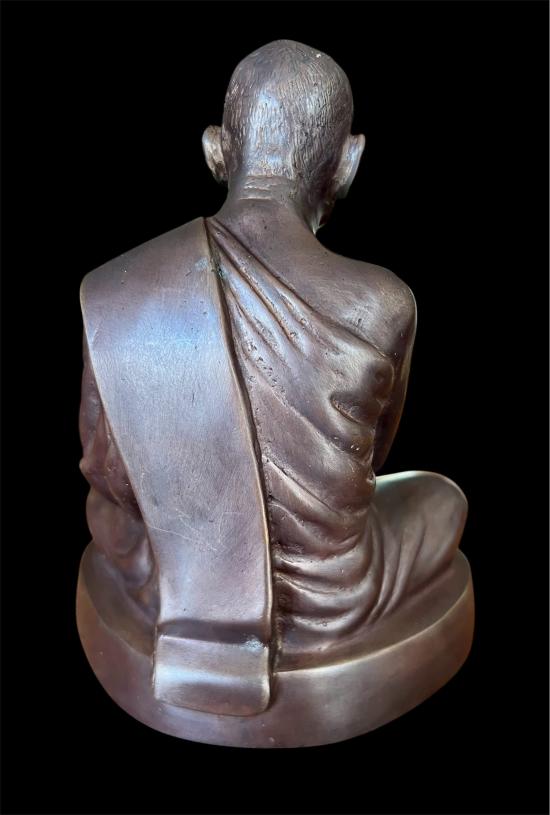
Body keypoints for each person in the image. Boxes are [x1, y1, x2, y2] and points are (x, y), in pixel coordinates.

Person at [79, 40, 467, 716]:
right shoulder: (383, 302)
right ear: (348, 163)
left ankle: (187, 600)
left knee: (113, 525)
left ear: (215, 149)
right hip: (328, 594)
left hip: (160, 574)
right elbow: (372, 459)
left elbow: (106, 471)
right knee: (441, 500)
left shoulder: (117, 289)